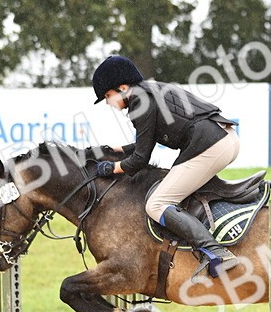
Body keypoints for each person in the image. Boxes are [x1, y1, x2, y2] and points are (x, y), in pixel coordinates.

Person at [91, 55, 242, 276]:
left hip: (212, 145)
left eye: (107, 96)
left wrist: (111, 168)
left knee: (156, 204)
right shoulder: (148, 93)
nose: (108, 102)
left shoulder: (140, 102)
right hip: (222, 139)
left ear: (122, 88)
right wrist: (116, 150)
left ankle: (216, 252)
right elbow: (144, 144)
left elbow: (140, 159)